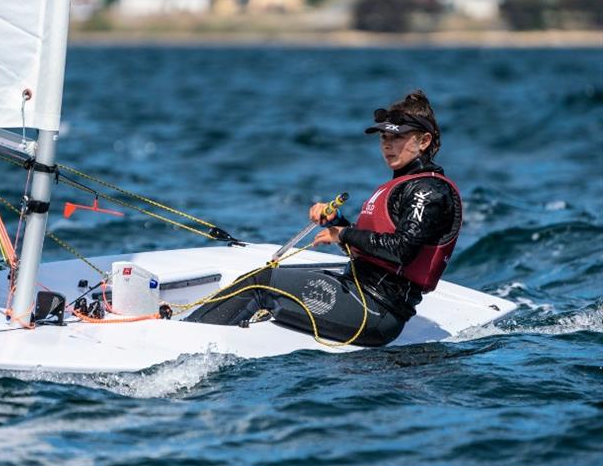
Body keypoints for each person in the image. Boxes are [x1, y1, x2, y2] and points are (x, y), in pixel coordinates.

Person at [187, 90, 462, 347]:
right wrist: (337, 223)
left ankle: (187, 338)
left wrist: (341, 234)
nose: (388, 146)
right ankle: (196, 328)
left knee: (263, 283)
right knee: (259, 276)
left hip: (376, 311)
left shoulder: (429, 190)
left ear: (424, 141)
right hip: (359, 292)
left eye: (397, 138)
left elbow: (401, 250)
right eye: (384, 139)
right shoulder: (405, 185)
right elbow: (371, 249)